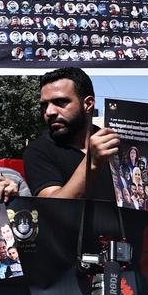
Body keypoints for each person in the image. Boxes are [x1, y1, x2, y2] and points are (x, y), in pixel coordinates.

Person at [23, 67, 118, 199]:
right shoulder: (39, 151)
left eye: (60, 102)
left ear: (88, 104)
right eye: (45, 105)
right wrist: (91, 163)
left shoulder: (113, 143)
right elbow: (53, 207)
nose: (49, 112)